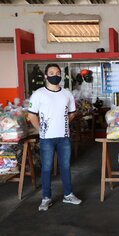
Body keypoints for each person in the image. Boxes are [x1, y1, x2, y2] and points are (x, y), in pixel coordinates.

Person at [28, 63, 82, 211]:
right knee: (46, 168)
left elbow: (72, 113)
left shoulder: (67, 94)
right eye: (51, 73)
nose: (55, 75)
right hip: (47, 139)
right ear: (46, 76)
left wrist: (63, 123)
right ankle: (46, 198)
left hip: (64, 137)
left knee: (65, 166)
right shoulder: (39, 94)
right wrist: (41, 130)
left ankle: (68, 194)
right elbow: (31, 115)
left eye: (57, 72)